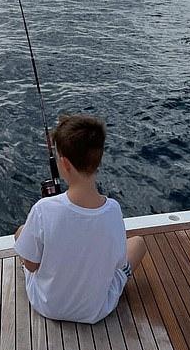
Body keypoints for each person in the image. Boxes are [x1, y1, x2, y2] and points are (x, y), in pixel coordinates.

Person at [14, 114, 147, 324]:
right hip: (97, 309)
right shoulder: (113, 210)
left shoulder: (43, 209)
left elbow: (30, 266)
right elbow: (118, 263)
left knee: (21, 231)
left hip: (48, 306)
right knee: (138, 243)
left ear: (65, 163)